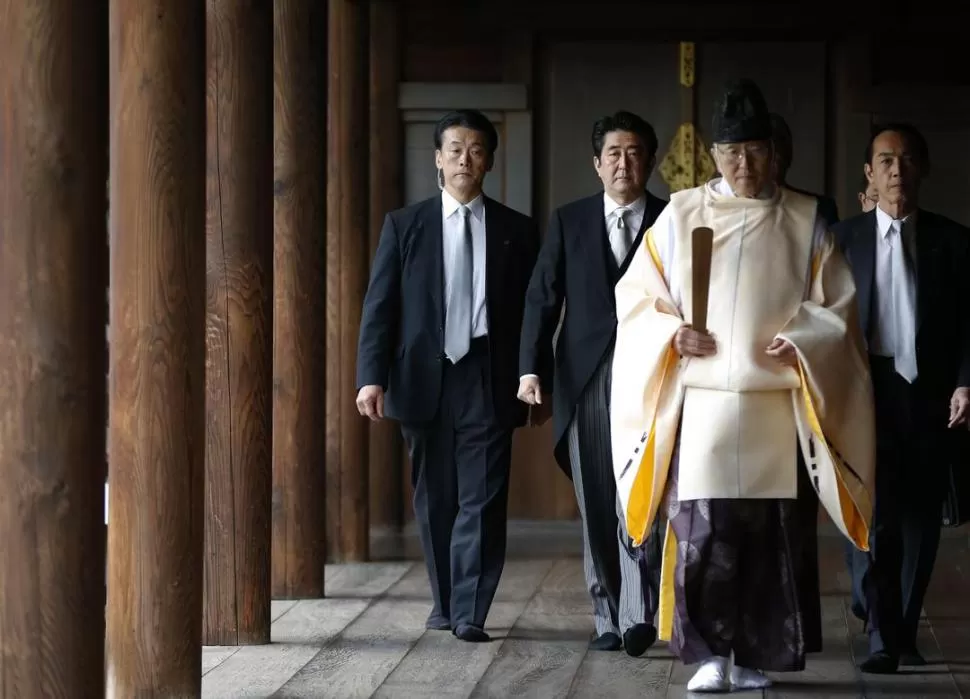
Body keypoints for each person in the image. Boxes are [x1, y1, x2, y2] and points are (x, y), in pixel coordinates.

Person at [609, 78, 876, 692]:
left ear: (773, 152)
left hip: (775, 402)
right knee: (703, 529)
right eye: (731, 154)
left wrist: (804, 339)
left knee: (768, 536)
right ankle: (707, 656)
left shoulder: (806, 218)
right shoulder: (680, 214)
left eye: (755, 151)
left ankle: (755, 657)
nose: (744, 165)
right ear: (713, 155)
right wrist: (673, 333)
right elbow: (636, 295)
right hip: (703, 401)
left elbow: (837, 306)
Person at [355, 109, 540, 643]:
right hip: (423, 377)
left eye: (476, 149)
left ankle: (470, 611)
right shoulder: (404, 225)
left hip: (487, 372)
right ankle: (444, 601)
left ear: (489, 162)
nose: (465, 158)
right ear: (437, 158)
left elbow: (535, 311)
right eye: (455, 148)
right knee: (435, 498)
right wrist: (371, 376)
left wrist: (532, 374)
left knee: (483, 496)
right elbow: (380, 306)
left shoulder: (515, 230)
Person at [518, 111, 667, 656]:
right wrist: (530, 369)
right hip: (585, 380)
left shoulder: (671, 219)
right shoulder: (569, 220)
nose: (623, 163)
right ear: (596, 163)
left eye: (633, 153)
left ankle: (639, 614)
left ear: (649, 161)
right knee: (598, 500)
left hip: (653, 377)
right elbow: (542, 297)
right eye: (613, 154)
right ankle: (607, 613)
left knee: (645, 496)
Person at [834, 123, 970, 673]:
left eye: (908, 161)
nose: (897, 171)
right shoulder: (842, 239)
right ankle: (881, 638)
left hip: (933, 393)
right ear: (869, 173)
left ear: (922, 170)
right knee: (875, 516)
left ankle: (904, 629)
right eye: (886, 161)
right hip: (866, 389)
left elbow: (969, 324)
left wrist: (966, 380)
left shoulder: (954, 241)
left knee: (920, 518)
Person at [769, 112, 840, 226]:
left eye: (777, 155)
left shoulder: (822, 208)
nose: (772, 162)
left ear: (789, 155)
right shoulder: (735, 212)